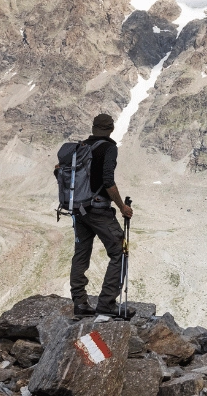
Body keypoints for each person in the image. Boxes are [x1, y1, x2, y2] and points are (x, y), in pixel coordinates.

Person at [60, 113, 134, 317]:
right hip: (98, 209)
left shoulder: (80, 147)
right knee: (119, 250)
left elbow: (60, 172)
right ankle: (107, 304)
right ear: (111, 129)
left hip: (78, 210)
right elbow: (108, 181)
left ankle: (80, 303)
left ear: (93, 128)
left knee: (81, 254)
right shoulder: (109, 148)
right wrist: (122, 207)